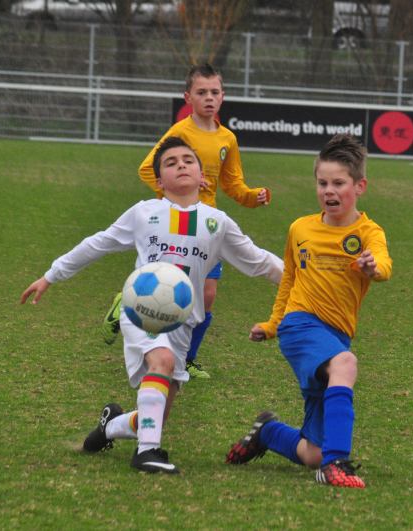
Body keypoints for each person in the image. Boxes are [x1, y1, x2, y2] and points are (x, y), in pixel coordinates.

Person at [21, 137, 283, 473]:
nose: (181, 165)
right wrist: (52, 275)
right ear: (159, 181)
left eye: (188, 160)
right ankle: (147, 453)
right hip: (140, 311)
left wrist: (303, 282)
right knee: (160, 361)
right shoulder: (144, 213)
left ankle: (110, 427)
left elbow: (260, 261)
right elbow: (98, 243)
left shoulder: (216, 222)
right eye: (171, 163)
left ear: (203, 177)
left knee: (156, 414)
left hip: (183, 323)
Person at [224, 134, 392, 489]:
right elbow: (288, 282)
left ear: (360, 186)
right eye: (322, 183)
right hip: (299, 325)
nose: (329, 191)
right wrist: (273, 324)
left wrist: (371, 267)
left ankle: (268, 433)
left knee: (311, 450)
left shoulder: (368, 232)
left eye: (338, 183)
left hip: (337, 334)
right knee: (346, 364)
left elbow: (384, 265)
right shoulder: (300, 228)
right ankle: (336, 465)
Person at [102, 63, 271, 380]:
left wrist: (252, 196)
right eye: (201, 92)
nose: (209, 98)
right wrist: (181, 187)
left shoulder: (227, 139)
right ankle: (129, 305)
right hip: (176, 221)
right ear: (188, 97)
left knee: (206, 296)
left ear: (223, 96)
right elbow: (145, 169)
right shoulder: (180, 133)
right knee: (173, 289)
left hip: (208, 227)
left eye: (214, 92)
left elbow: (233, 184)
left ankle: (188, 358)